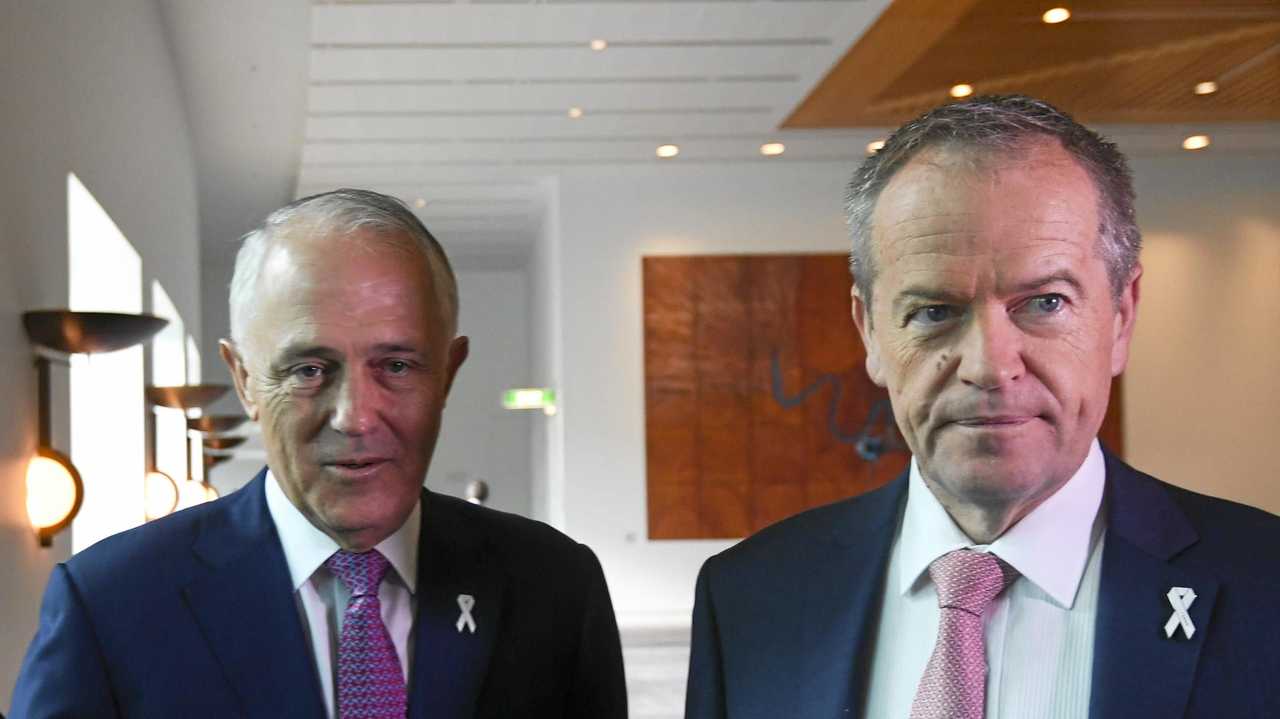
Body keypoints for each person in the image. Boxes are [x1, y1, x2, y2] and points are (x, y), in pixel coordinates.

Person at [684, 95, 1280, 718]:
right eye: (935, 312)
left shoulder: (1266, 588)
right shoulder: (751, 596)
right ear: (871, 334)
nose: (991, 366)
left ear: (1122, 316)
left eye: (1045, 302)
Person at [12, 189, 628, 718]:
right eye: (309, 368)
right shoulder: (112, 604)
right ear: (245, 379)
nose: (355, 416)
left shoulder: (554, 587)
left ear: (448, 371)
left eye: (396, 365)